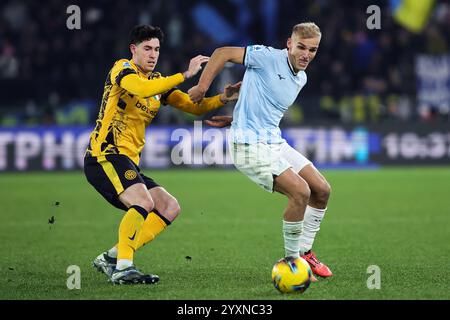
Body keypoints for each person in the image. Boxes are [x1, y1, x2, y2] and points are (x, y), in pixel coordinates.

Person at [84, 25, 241, 285]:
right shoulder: (122, 69)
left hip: (127, 160)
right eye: (147, 48)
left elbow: (193, 106)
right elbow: (141, 89)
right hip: (105, 155)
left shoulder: (158, 83)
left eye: (156, 49)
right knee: (143, 203)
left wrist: (223, 99)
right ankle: (124, 267)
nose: (153, 54)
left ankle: (111, 257)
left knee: (169, 207)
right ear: (134, 50)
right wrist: (186, 74)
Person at [189, 22, 332, 279]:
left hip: (273, 141)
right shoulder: (267, 56)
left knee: (321, 190)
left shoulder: (301, 78)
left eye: (312, 50)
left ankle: (306, 252)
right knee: (301, 191)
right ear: (289, 44)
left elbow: (265, 99)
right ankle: (292, 264)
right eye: (301, 47)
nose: (306, 54)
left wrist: (234, 116)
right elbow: (222, 53)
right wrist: (201, 88)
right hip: (247, 145)